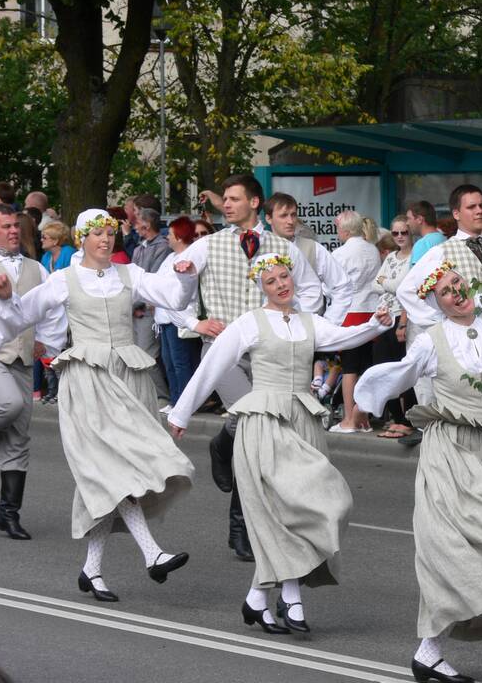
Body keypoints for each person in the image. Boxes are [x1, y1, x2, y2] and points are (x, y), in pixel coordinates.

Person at [356, 266, 482, 683]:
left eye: (458, 286)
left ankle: (428, 653)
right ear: (436, 302)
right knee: (479, 552)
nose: (456, 294)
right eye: (445, 292)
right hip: (453, 453)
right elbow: (399, 375)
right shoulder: (431, 342)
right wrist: (367, 397)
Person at [169, 254, 391, 634]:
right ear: (262, 288)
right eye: (271, 281)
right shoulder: (250, 323)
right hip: (264, 422)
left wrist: (374, 325)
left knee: (323, 504)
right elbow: (213, 365)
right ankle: (291, 598)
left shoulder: (309, 321)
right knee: (282, 512)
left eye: (284, 276)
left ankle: (258, 599)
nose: (280, 285)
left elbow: (343, 337)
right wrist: (181, 413)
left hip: (302, 422)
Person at [0, 209, 196, 600]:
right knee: (115, 469)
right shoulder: (63, 280)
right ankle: (152, 554)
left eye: (109, 233)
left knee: (105, 476)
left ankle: (92, 569)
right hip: (88, 381)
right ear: (82, 238)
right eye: (97, 234)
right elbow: (19, 317)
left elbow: (173, 297)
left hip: (129, 379)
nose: (105, 239)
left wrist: (184, 275)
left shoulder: (129, 274)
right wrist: (3, 297)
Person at [181, 173, 325, 562]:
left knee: (250, 434)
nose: (225, 205)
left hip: (269, 350)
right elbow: (164, 290)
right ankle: (241, 525)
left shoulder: (283, 247)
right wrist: (195, 322)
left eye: (232, 199)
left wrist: (295, 316)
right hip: (224, 348)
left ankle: (222, 444)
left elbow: (311, 290)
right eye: (223, 199)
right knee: (251, 426)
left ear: (254, 203)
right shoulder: (207, 245)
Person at [0, 204, 66, 539]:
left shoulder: (37, 268)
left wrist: (46, 344)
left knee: (19, 438)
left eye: (16, 226)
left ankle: (9, 514)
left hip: (22, 358)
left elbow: (52, 310)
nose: (13, 231)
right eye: (5, 226)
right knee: (10, 405)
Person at [398, 184, 482, 330]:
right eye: (471, 207)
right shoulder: (440, 252)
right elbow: (405, 291)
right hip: (464, 338)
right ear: (456, 214)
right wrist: (441, 319)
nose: (479, 211)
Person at [329, 210, 382, 433]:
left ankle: (350, 418)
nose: (337, 231)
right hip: (372, 313)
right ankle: (364, 418)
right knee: (366, 368)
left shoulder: (340, 253)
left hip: (350, 312)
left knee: (349, 368)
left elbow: (330, 285)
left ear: (346, 230)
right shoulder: (373, 250)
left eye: (338, 227)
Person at [264, 192, 351, 323]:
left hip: (307, 329)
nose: (290, 221)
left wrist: (329, 322)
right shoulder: (260, 248)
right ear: (268, 218)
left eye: (293, 215)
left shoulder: (313, 248)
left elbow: (342, 285)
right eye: (283, 216)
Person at [371, 217, 416, 439]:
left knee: (403, 371)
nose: (399, 237)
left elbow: (405, 289)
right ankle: (396, 418)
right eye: (395, 233)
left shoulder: (414, 257)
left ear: (410, 233)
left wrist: (386, 283)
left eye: (403, 233)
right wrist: (391, 285)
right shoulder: (390, 257)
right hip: (382, 317)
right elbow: (374, 284)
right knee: (382, 370)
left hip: (400, 317)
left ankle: (407, 420)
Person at [154, 217, 202, 414]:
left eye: (171, 234)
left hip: (180, 317)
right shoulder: (169, 257)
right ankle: (175, 400)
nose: (167, 238)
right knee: (169, 362)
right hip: (164, 318)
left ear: (180, 237)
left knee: (181, 362)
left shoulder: (189, 257)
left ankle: (185, 403)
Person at [132, 208, 173, 403]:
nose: (134, 225)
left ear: (146, 225)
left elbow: (154, 279)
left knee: (147, 355)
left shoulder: (162, 248)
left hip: (149, 310)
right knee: (137, 354)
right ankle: (146, 394)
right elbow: (132, 278)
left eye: (137, 221)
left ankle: (162, 396)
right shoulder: (139, 248)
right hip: (137, 310)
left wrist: (137, 302)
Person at [37, 221, 75, 403]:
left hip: (68, 308)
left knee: (63, 351)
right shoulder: (46, 257)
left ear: (55, 240)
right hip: (53, 308)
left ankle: (64, 392)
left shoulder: (69, 254)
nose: (41, 240)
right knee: (49, 353)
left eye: (45, 237)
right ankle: (52, 391)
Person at [405, 200, 445, 265]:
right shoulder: (443, 238)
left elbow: (416, 274)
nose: (407, 223)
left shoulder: (422, 244)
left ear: (420, 219)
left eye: (409, 218)